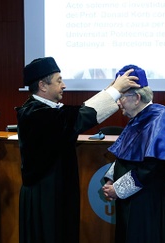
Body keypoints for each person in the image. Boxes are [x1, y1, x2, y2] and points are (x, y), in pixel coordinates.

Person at [16, 57, 140, 243]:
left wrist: (111, 88)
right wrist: (115, 91)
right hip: (45, 196)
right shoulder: (35, 113)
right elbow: (79, 117)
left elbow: (76, 113)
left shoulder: (46, 110)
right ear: (42, 85)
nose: (64, 85)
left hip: (54, 190)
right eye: (59, 80)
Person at [102, 65, 165, 243]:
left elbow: (151, 167)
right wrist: (110, 179)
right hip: (127, 198)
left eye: (121, 97)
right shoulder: (136, 116)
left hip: (144, 201)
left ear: (137, 98)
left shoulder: (160, 117)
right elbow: (124, 153)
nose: (118, 102)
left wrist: (118, 189)